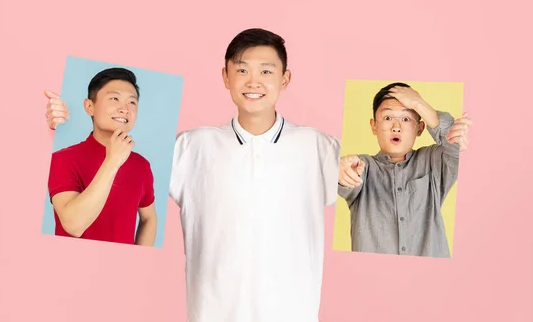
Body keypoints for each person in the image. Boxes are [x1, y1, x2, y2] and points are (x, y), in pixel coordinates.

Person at [44, 29, 340, 322]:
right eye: (241, 70)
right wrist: (59, 124)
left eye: (266, 71)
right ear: (225, 76)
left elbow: (369, 183)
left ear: (285, 79)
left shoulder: (318, 146)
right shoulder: (190, 146)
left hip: (292, 313)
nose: (254, 82)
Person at [338, 82, 471, 258]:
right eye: (387, 118)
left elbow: (454, 143)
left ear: (420, 128)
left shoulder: (434, 161)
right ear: (373, 126)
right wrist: (339, 169)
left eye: (406, 118)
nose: (396, 126)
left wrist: (419, 104)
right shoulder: (363, 166)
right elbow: (343, 178)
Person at [46, 67, 157, 246]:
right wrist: (113, 160)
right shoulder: (62, 160)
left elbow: (149, 218)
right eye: (114, 98)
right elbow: (73, 225)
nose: (124, 109)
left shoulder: (141, 165)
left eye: (132, 102)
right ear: (90, 106)